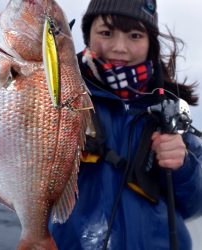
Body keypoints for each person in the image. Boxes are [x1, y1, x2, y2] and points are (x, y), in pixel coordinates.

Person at [49, 0, 202, 249]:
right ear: (87, 35)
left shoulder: (169, 110)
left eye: (134, 35)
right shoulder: (59, 97)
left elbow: (194, 205)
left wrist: (183, 166)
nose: (120, 47)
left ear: (149, 42)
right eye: (106, 33)